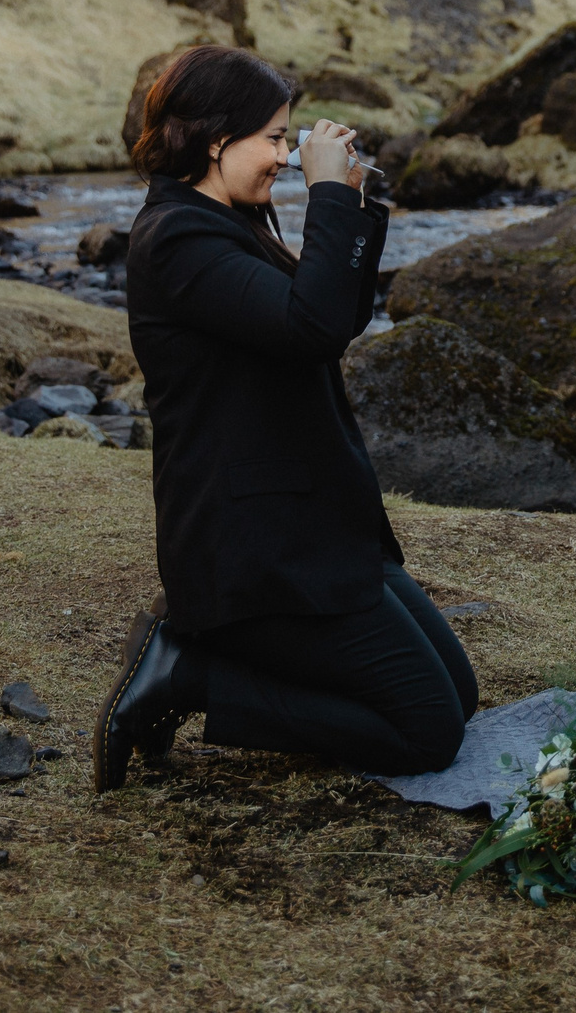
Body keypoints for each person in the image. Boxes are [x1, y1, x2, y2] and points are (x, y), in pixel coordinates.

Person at [92, 46, 476, 790]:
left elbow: (332, 317)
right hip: (252, 550)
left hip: (308, 527)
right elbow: (314, 326)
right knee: (429, 728)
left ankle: (197, 668)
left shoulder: (229, 221)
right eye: (272, 137)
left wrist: (356, 201)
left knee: (455, 694)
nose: (283, 155)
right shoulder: (177, 238)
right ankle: (189, 676)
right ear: (213, 138)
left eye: (287, 137)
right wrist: (324, 196)